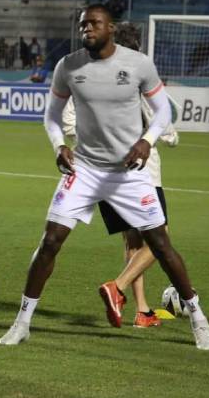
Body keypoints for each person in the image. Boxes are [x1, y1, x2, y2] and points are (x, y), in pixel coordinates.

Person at [0, 4, 209, 351]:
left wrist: (147, 141)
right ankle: (22, 322)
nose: (87, 29)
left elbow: (162, 112)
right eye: (83, 24)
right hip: (84, 168)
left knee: (159, 244)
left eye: (94, 23)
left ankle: (198, 318)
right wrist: (58, 146)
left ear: (110, 28)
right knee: (50, 240)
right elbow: (52, 116)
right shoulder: (68, 66)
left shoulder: (138, 64)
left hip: (129, 172)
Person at [62, 22, 180, 328]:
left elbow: (70, 122)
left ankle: (142, 310)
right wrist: (169, 135)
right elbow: (159, 121)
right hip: (142, 172)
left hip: (102, 172)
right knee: (159, 238)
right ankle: (118, 286)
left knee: (132, 240)